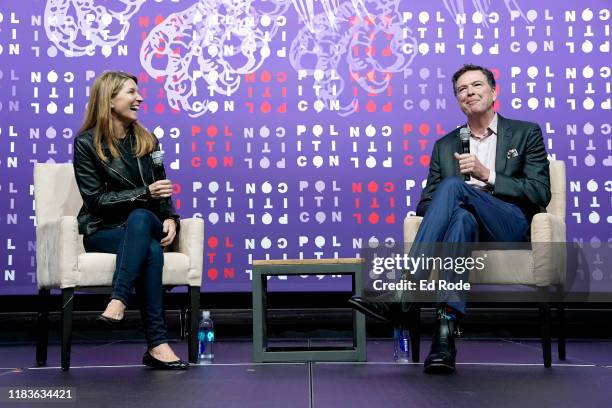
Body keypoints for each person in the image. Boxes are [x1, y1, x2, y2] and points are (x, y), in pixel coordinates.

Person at [349, 64, 551, 373]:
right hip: (467, 227)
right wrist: (453, 205)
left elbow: (540, 192)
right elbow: (426, 203)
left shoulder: (526, 132)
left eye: (477, 85)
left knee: (455, 185)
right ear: (458, 100)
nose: (469, 92)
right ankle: (443, 339)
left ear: (493, 91)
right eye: (461, 89)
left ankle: (405, 292)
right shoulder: (445, 146)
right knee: (460, 221)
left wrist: (488, 176)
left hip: (508, 224)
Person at [73, 71, 188, 370]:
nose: (140, 98)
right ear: (110, 100)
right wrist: (143, 193)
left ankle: (119, 299)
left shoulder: (148, 140)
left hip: (145, 221)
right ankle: (157, 346)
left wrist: (172, 218)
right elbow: (95, 201)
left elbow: (161, 188)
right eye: (131, 92)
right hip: (104, 230)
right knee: (150, 251)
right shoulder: (86, 144)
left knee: (140, 218)